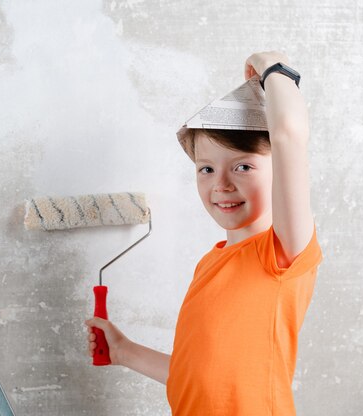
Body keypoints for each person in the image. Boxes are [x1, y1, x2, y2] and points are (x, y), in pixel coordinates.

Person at [85, 50, 323, 415]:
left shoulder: (281, 253)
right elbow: (197, 375)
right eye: (206, 169)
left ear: (280, 169)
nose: (221, 185)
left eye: (242, 166)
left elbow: (289, 133)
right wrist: (125, 351)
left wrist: (272, 67)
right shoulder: (209, 264)